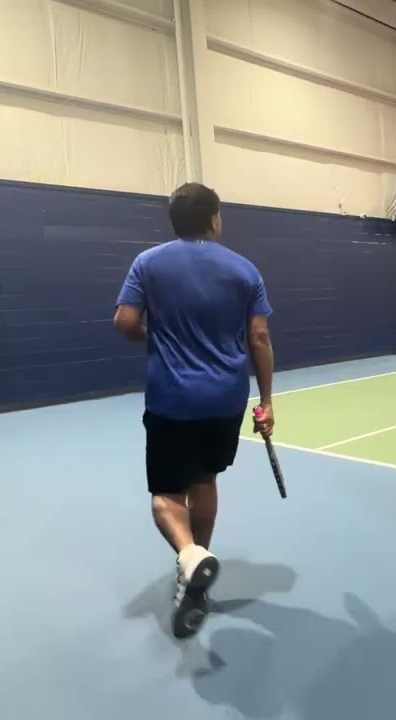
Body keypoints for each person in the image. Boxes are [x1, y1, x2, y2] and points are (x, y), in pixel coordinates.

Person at [113, 182, 276, 639]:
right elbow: (259, 338)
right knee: (204, 480)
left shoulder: (148, 263)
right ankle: (196, 564)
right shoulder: (245, 270)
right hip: (225, 398)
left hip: (171, 398)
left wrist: (152, 339)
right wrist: (265, 401)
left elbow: (124, 321)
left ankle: (188, 555)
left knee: (166, 495)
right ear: (214, 218)